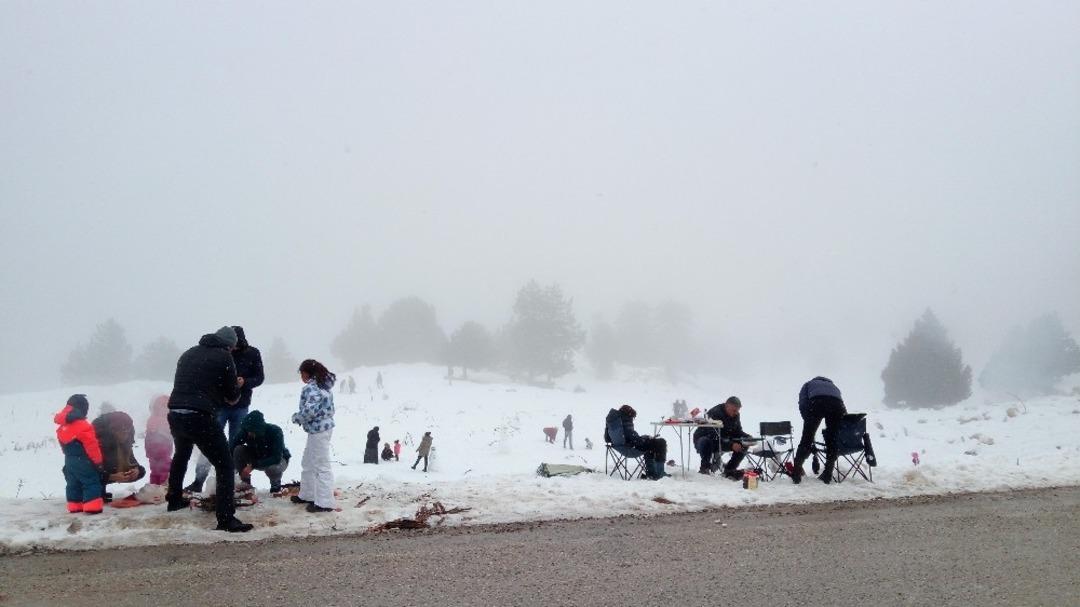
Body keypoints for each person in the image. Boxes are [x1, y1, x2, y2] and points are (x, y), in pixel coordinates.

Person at [166, 326, 252, 533]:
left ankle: (174, 499)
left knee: (181, 456)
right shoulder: (224, 357)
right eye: (232, 348)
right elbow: (232, 395)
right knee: (224, 464)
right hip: (199, 416)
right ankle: (226, 519)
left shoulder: (188, 353)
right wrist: (235, 391)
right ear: (229, 345)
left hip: (176, 413)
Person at [188, 326, 263, 492]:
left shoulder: (252, 353)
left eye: (236, 345)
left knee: (237, 444)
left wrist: (245, 382)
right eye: (231, 345)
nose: (233, 348)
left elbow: (260, 377)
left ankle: (237, 481)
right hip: (219, 406)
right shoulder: (220, 352)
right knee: (209, 442)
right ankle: (199, 481)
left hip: (241, 406)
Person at [291, 359, 336, 513]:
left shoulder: (312, 388)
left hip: (318, 430)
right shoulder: (324, 385)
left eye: (301, 373)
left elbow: (310, 411)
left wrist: (297, 417)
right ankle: (308, 494)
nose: (301, 377)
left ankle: (325, 502)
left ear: (307, 373)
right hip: (322, 428)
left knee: (321, 465)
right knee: (308, 462)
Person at [791, 377, 848, 484]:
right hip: (836, 406)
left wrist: (808, 422)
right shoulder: (834, 386)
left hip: (817, 402)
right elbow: (841, 405)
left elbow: (803, 403)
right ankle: (828, 474)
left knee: (806, 439)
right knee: (832, 440)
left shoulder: (808, 384)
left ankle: (796, 472)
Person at [55, 394, 104, 514]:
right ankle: (92, 506)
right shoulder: (84, 426)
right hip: (84, 460)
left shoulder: (62, 426)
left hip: (69, 460)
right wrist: (98, 462)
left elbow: (63, 445)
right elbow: (92, 446)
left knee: (73, 483)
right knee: (91, 481)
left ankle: (74, 505)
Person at [231, 410, 290, 493]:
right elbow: (232, 447)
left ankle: (275, 484)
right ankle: (245, 482)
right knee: (238, 450)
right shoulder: (246, 431)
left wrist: (253, 465)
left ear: (257, 429)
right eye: (247, 431)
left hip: (278, 460)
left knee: (272, 468)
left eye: (251, 431)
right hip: (257, 456)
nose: (248, 434)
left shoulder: (275, 431)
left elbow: (276, 457)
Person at [693, 396, 752, 479]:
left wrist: (747, 437)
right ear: (727, 406)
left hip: (723, 440)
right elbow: (714, 435)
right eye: (734, 410)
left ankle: (730, 469)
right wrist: (731, 445)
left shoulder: (735, 415)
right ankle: (704, 468)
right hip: (705, 439)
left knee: (744, 444)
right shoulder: (715, 413)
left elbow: (737, 431)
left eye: (737, 411)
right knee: (706, 441)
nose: (736, 413)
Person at [604, 405, 668, 480]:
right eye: (633, 417)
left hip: (620, 447)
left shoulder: (614, 421)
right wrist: (646, 438)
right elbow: (634, 438)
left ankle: (652, 473)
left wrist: (644, 438)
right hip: (630, 448)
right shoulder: (625, 421)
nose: (632, 419)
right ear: (629, 414)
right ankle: (659, 474)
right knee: (660, 443)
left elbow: (607, 438)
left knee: (651, 444)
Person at [92, 408, 147, 493]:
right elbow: (86, 472)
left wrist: (137, 471)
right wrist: (111, 477)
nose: (126, 435)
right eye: (123, 431)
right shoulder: (98, 444)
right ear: (113, 431)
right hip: (83, 484)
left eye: (128, 431)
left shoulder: (124, 443)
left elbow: (134, 463)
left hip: (103, 476)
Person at [145, 395, 173, 485]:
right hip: (163, 448)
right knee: (165, 468)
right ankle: (164, 486)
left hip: (151, 449)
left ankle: (154, 485)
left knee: (155, 470)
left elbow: (149, 435)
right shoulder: (166, 419)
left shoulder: (152, 419)